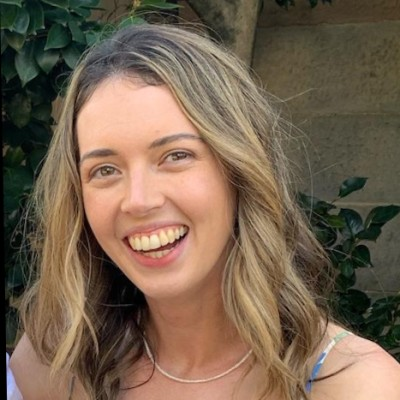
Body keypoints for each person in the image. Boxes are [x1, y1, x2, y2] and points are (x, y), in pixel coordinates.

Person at [9, 22, 400, 400]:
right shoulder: (55, 364)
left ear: (240, 169)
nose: (139, 200)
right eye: (105, 170)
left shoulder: (355, 385)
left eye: (176, 156)